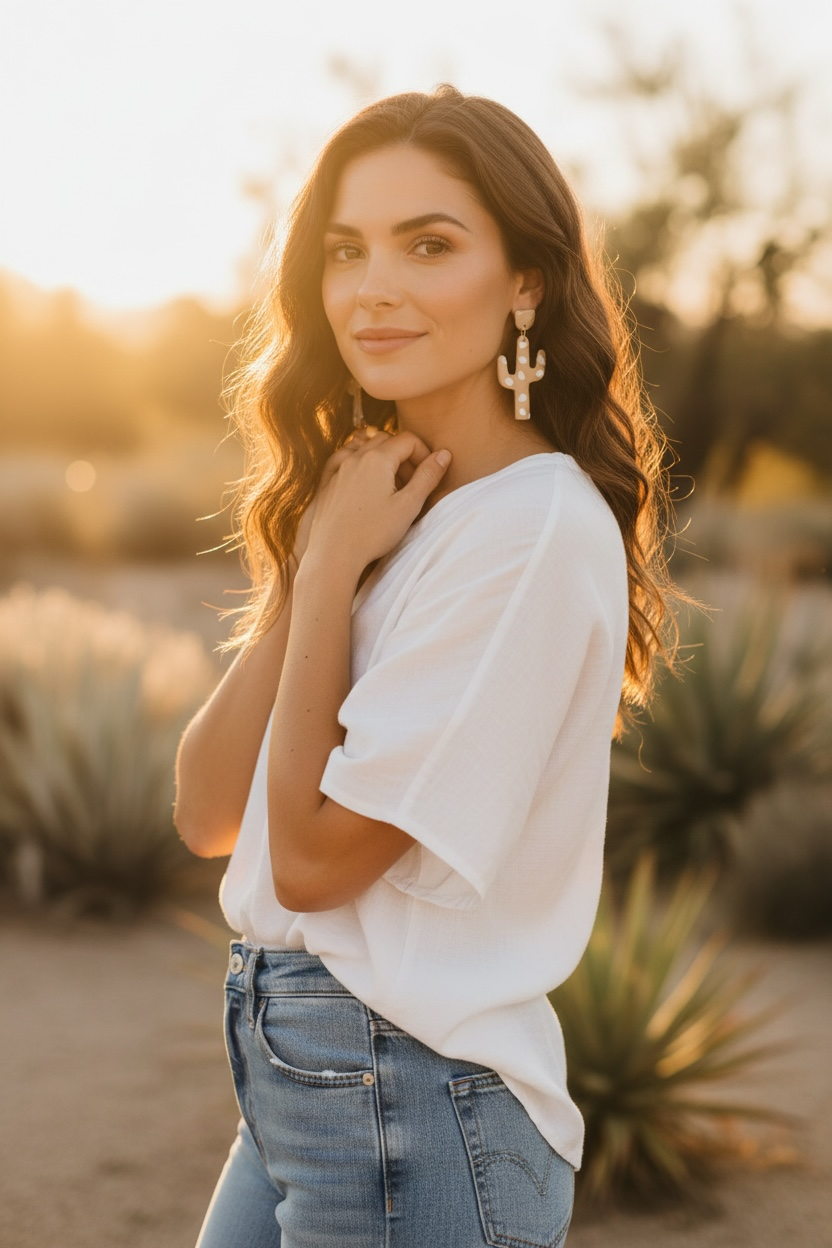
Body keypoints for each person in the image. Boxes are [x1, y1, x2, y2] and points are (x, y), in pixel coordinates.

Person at [174, 84, 678, 1248]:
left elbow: (311, 864)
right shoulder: (381, 509)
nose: (373, 286)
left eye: (429, 244)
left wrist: (334, 562)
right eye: (346, 249)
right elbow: (205, 810)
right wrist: (320, 562)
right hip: (301, 1080)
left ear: (526, 282)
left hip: (411, 1087)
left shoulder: (528, 529)